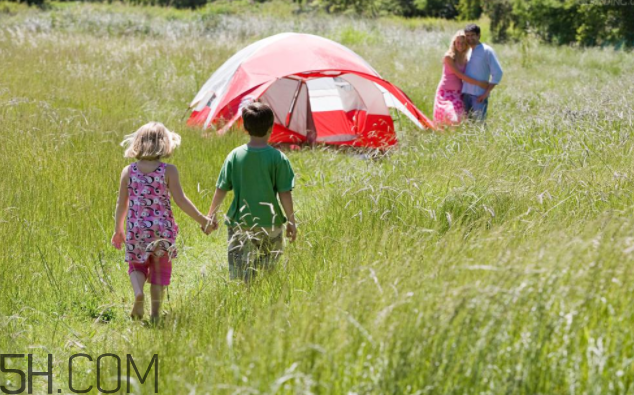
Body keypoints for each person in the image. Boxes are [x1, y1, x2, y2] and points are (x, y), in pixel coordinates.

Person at [111, 122, 211, 322]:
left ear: (138, 143)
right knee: (160, 270)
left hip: (136, 229)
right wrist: (203, 220)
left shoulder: (128, 171)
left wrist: (118, 230)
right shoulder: (168, 170)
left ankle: (138, 293)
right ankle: (155, 314)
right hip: (162, 231)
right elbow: (181, 200)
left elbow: (121, 204)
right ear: (165, 144)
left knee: (137, 266)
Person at [204, 101, 297, 283]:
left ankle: (246, 289)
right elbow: (285, 193)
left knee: (239, 270)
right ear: (271, 127)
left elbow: (221, 188)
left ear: (245, 128)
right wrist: (291, 222)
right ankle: (259, 286)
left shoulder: (235, 156)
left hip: (240, 222)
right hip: (270, 222)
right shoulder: (278, 158)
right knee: (269, 264)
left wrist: (211, 215)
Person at [433, 30, 491, 127]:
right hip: (446, 93)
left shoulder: (465, 58)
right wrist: (479, 83)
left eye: (463, 43)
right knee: (453, 118)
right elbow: (460, 75)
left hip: (458, 93)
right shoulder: (449, 57)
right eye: (458, 42)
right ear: (454, 43)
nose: (460, 45)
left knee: (462, 119)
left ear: (466, 45)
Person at [461, 24, 504, 120]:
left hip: (478, 96)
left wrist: (486, 93)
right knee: (468, 125)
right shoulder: (467, 51)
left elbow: (498, 73)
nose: (469, 38)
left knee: (479, 126)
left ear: (479, 35)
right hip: (465, 95)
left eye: (472, 35)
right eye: (467, 35)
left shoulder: (487, 50)